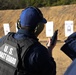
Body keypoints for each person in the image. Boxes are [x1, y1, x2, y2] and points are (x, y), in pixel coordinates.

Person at [0, 6, 57, 75]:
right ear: (38, 27)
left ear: (19, 23)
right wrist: (49, 50)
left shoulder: (4, 40)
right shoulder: (39, 51)